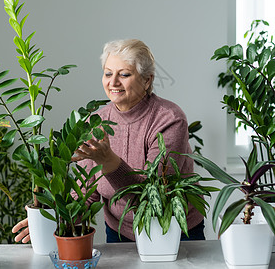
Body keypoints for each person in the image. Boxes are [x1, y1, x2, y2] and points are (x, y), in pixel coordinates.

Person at [12, 39, 205, 243]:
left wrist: (109, 162)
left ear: (147, 80)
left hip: (171, 230)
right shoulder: (95, 123)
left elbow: (153, 197)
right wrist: (50, 223)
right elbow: (84, 193)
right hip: (119, 231)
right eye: (108, 73)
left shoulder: (169, 119)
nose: (113, 82)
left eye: (124, 74)